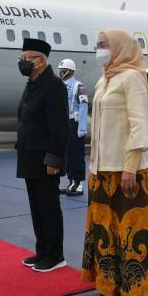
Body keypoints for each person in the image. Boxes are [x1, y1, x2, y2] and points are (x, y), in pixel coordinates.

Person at [81, 28, 148, 296]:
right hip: (102, 171)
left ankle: (139, 292)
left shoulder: (132, 78)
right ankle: (110, 284)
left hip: (127, 170)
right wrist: (92, 165)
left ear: (120, 47)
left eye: (104, 45)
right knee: (105, 232)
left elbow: (138, 126)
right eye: (97, 45)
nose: (99, 49)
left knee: (133, 232)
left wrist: (130, 168)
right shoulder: (103, 80)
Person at [16, 38, 69, 272]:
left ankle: (56, 255)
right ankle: (42, 251)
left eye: (27, 58)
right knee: (36, 207)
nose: (23, 62)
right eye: (21, 58)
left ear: (41, 60)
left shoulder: (53, 85)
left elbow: (59, 127)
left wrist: (54, 158)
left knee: (49, 208)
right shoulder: (32, 83)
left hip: (45, 159)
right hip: (29, 156)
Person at [57, 59, 88, 196]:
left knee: (76, 153)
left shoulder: (78, 86)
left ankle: (78, 184)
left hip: (74, 123)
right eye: (61, 70)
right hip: (63, 123)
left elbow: (83, 105)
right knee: (67, 154)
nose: (61, 73)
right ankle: (71, 182)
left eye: (64, 70)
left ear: (71, 71)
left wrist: (81, 127)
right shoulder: (58, 85)